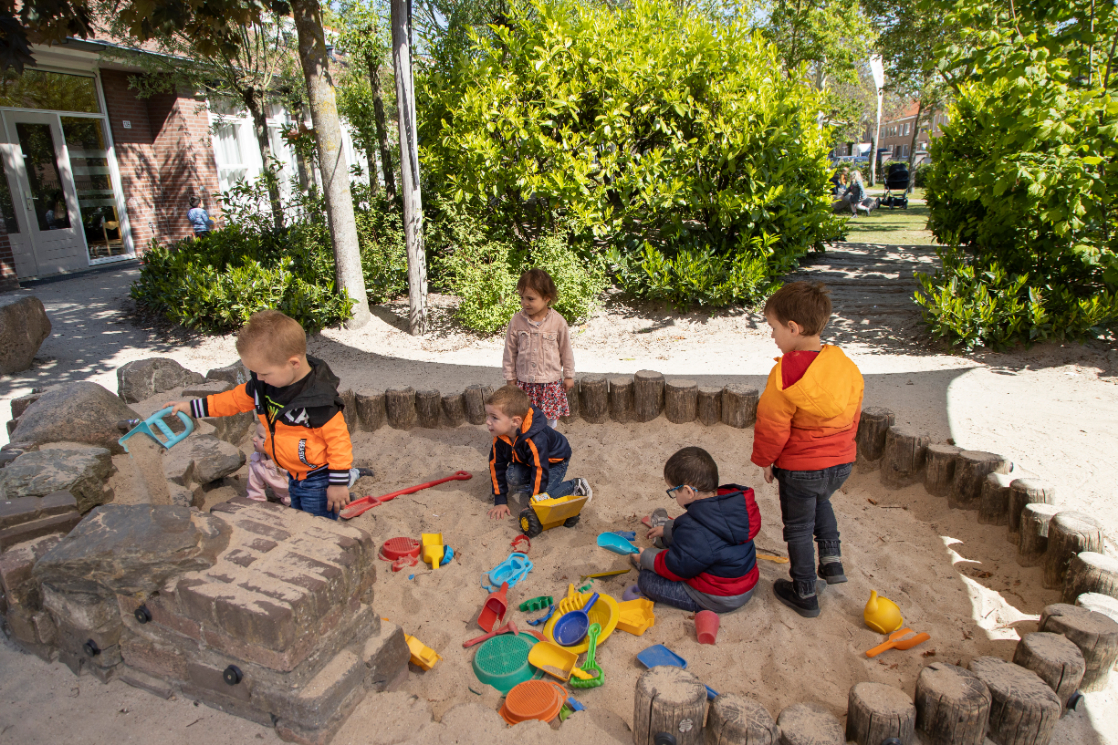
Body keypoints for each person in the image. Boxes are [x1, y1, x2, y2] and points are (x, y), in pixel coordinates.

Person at [167, 310, 355, 520]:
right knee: (301, 518)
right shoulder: (263, 387)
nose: (258, 378)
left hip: (318, 477)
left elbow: (339, 442)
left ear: (293, 363)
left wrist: (338, 484)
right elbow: (231, 401)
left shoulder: (318, 399)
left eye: (264, 373)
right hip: (292, 473)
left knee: (319, 523)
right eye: (255, 372)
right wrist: (192, 408)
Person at [751, 282, 864, 618]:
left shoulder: (784, 373)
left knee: (798, 527)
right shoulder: (843, 365)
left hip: (800, 469)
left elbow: (772, 424)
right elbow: (854, 411)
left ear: (793, 328)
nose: (772, 337)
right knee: (822, 501)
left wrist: (766, 460)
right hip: (840, 463)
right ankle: (831, 560)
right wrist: (842, 451)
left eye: (773, 329)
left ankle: (804, 591)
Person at [629, 447, 761, 613]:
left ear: (688, 492)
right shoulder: (730, 505)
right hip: (745, 581)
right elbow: (702, 535)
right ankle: (664, 536)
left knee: (647, 580)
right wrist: (668, 529)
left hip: (718, 596)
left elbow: (678, 567)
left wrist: (646, 559)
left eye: (673, 491)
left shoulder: (694, 529)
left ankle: (647, 560)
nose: (674, 496)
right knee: (685, 542)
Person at [485, 385, 591, 520]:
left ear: (515, 421)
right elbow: (496, 465)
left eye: (494, 417)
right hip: (529, 461)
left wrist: (534, 501)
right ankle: (533, 486)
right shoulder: (500, 437)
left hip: (554, 462)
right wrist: (500, 501)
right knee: (511, 476)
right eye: (488, 415)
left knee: (545, 497)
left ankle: (576, 485)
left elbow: (540, 469)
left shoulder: (536, 439)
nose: (488, 422)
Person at [503, 269, 576, 429]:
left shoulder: (557, 322)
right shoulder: (517, 321)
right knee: (524, 417)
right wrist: (510, 376)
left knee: (549, 420)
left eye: (530, 298)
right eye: (521, 297)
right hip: (525, 382)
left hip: (549, 382)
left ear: (546, 298)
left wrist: (569, 375)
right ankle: (528, 445)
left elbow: (566, 351)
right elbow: (510, 351)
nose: (524, 303)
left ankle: (547, 443)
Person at [246, 421, 374, 505]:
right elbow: (255, 487)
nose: (254, 438)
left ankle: (355, 473)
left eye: (261, 437)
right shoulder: (257, 463)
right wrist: (257, 504)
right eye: (256, 435)